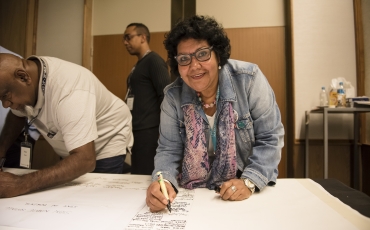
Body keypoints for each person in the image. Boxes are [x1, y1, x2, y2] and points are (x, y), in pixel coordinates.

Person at [146, 15, 284, 212]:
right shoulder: (172, 96)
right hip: (195, 195)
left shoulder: (249, 80)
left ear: (218, 55)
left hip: (244, 191)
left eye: (202, 54)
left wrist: (250, 181)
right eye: (184, 59)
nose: (194, 66)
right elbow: (168, 150)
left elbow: (271, 137)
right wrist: (163, 181)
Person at [0, 54, 133, 198]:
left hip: (107, 138)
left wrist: (21, 183)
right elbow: (16, 116)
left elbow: (85, 160)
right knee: (68, 195)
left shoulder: (70, 91)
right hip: (75, 149)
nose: (5, 105)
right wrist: (1, 151)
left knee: (95, 199)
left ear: (23, 77)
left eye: (6, 96)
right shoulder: (25, 81)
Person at [123, 23, 171, 175]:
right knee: (137, 173)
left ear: (143, 37)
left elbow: (166, 95)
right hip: (137, 130)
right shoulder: (139, 64)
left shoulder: (153, 61)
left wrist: (163, 131)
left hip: (149, 132)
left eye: (128, 37)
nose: (125, 42)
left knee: (145, 175)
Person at [0, 46, 40, 168]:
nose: (5, 105)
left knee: (14, 181)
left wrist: (31, 135)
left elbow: (29, 95)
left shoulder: (10, 60)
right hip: (7, 138)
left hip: (16, 138)